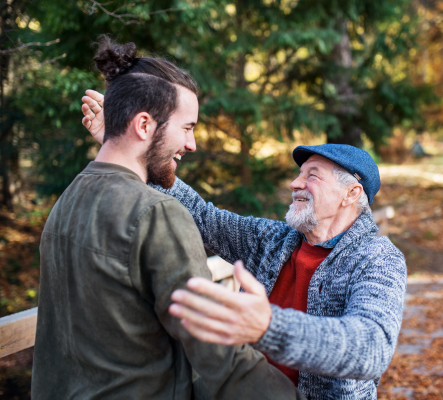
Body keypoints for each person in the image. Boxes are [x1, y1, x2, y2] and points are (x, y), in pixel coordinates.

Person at [82, 59, 407, 400]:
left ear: (351, 194)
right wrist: (125, 146)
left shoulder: (378, 259)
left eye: (312, 175)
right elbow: (200, 216)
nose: (296, 183)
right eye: (299, 174)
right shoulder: (273, 241)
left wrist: (268, 327)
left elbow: (371, 347)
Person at [32, 37, 305, 400]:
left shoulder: (67, 201)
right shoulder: (157, 214)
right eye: (187, 127)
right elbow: (219, 353)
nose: (191, 145)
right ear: (144, 125)